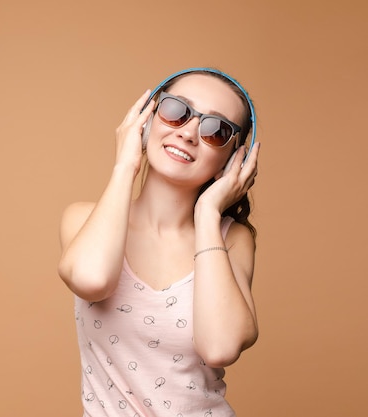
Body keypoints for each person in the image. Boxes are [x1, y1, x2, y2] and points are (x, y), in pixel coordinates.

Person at [58, 67, 260, 417]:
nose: (189, 133)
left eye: (216, 130)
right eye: (177, 110)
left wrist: (209, 213)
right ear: (147, 118)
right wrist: (125, 165)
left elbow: (220, 347)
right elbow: (92, 280)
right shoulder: (81, 219)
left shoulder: (232, 239)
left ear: (229, 161)